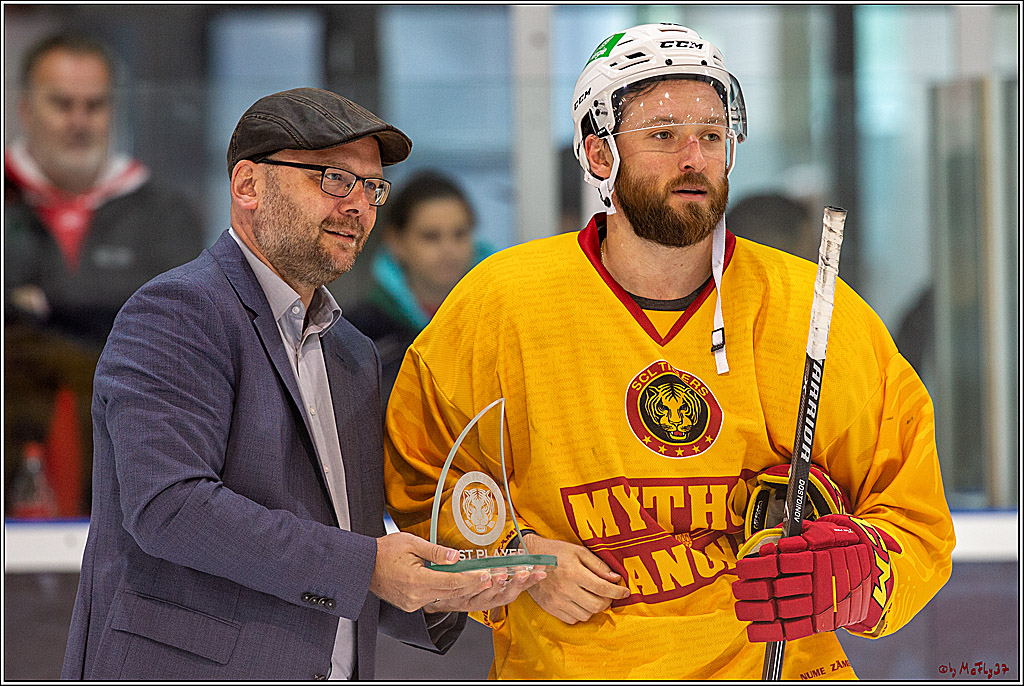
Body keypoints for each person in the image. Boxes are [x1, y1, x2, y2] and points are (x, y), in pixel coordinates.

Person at [383, 24, 954, 680]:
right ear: (600, 157)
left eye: (712, 135)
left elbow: (914, 521)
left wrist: (858, 571)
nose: (694, 157)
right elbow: (420, 477)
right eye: (662, 135)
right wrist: (516, 556)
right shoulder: (502, 305)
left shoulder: (812, 309)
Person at [60, 87, 543, 681]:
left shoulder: (352, 352)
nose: (359, 207)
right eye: (334, 179)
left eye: (372, 188)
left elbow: (346, 542)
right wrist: (367, 566)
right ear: (248, 186)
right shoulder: (179, 310)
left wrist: (439, 592)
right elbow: (169, 506)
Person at [4, 33, 205, 516]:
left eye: (94, 105)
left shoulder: (167, 214)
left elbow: (172, 334)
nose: (79, 122)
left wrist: (38, 307)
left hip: (128, 450)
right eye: (62, 104)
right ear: (26, 109)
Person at [344, 171, 487, 397]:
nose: (449, 249)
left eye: (459, 234)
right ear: (396, 242)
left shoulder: (492, 321)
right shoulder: (358, 333)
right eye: (431, 236)